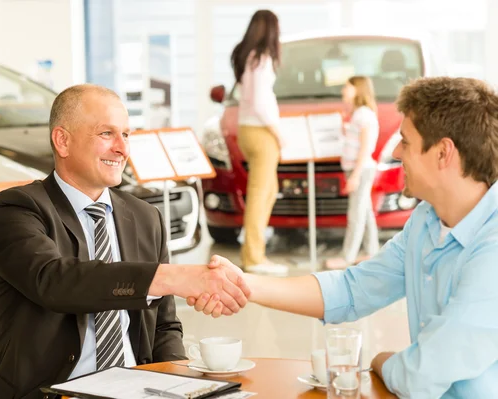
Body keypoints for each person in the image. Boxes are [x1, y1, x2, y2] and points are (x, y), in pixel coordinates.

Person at [190, 77, 498, 397]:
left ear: (443, 153)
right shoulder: (426, 221)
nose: (394, 151)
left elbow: (421, 373)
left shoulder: (493, 249)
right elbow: (353, 290)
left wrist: (381, 361)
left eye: (405, 141)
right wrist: (243, 284)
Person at [0, 84, 250, 399]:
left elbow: (164, 327)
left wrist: (178, 384)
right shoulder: (16, 208)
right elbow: (55, 281)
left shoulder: (144, 217)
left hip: (141, 388)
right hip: (51, 391)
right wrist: (174, 277)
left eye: (126, 135)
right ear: (63, 141)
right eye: (106, 134)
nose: (122, 149)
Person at [231, 9, 287, 276]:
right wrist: (278, 133)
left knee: (266, 189)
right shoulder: (262, 60)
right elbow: (261, 102)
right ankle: (254, 257)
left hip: (247, 129)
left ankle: (255, 252)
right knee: (260, 192)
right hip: (261, 131)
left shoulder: (249, 58)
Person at [326, 76, 380, 269]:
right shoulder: (358, 114)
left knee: (356, 213)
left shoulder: (364, 114)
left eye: (346, 88)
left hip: (361, 170)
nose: (343, 91)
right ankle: (372, 251)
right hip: (358, 170)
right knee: (364, 212)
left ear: (358, 89)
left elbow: (365, 149)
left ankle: (347, 256)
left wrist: (356, 175)